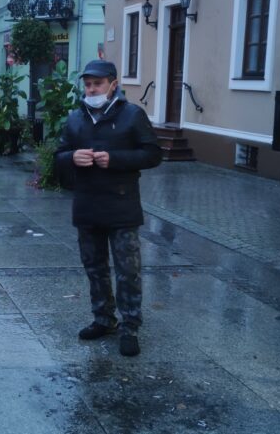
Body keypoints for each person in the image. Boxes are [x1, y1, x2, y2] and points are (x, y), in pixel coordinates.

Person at [55, 60, 162, 357]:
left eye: (98, 84)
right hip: (87, 205)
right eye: (88, 84)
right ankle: (103, 319)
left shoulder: (132, 115)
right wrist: (71, 157)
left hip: (121, 205)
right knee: (95, 267)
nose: (92, 89)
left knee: (128, 270)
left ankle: (130, 326)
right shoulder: (75, 118)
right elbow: (59, 156)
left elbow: (153, 154)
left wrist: (115, 159)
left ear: (113, 85)